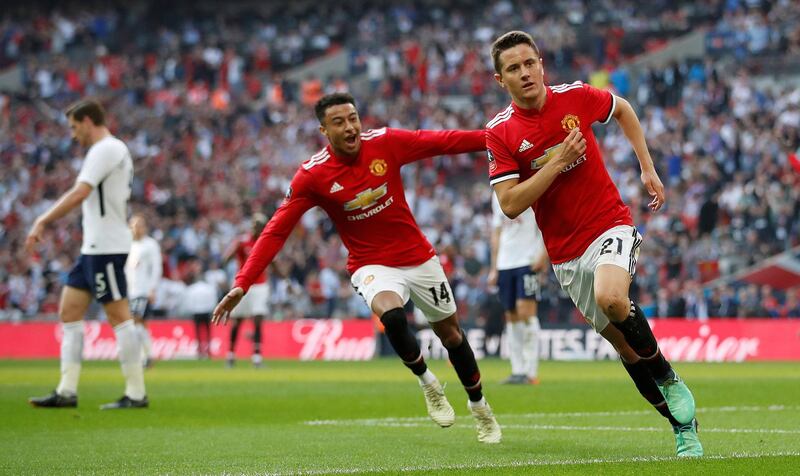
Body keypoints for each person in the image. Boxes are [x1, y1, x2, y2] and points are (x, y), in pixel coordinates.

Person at [213, 92, 501, 443]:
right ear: (323, 130)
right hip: (371, 264)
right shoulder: (312, 175)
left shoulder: (386, 143)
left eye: (353, 118)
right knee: (392, 316)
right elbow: (276, 229)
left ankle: (480, 407)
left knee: (452, 335)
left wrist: (502, 135)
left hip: (418, 257)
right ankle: (428, 382)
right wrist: (243, 282)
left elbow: (443, 141)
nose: (350, 127)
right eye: (339, 122)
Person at [485, 31, 702, 456]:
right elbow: (510, 203)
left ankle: (669, 376)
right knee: (623, 346)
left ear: (541, 64)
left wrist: (647, 167)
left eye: (529, 63)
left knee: (612, 299)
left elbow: (623, 110)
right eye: (513, 68)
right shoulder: (500, 133)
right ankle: (682, 426)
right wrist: (558, 163)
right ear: (500, 80)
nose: (525, 73)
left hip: (609, 224)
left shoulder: (577, 97)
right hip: (565, 253)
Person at [25, 99, 148, 409]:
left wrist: (43, 219)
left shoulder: (105, 149)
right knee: (69, 310)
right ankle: (67, 391)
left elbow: (81, 191)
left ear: (89, 121)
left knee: (119, 316)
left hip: (106, 247)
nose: (73, 134)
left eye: (75, 126)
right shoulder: (111, 150)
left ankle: (136, 393)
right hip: (93, 247)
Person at [487, 193, 545, 385]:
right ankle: (517, 370)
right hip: (505, 263)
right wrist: (494, 267)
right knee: (511, 314)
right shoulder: (497, 195)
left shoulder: (530, 188)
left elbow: (545, 222)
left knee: (525, 311)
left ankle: (530, 371)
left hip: (527, 260)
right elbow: (496, 232)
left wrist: (543, 254)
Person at [222, 213, 270, 368]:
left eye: (259, 224)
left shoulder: (265, 242)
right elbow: (226, 258)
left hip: (260, 285)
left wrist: (286, 280)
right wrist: (232, 251)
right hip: (243, 285)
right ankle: (230, 355)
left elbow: (273, 263)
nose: (255, 227)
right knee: (238, 320)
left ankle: (256, 357)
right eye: (254, 224)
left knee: (257, 319)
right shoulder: (242, 241)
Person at [124, 214, 162, 368]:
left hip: (143, 291)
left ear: (144, 227)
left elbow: (156, 268)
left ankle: (144, 357)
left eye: (139, 225)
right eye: (133, 225)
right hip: (131, 291)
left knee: (136, 322)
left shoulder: (150, 245)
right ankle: (146, 356)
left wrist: (153, 289)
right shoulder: (129, 245)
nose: (136, 228)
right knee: (140, 324)